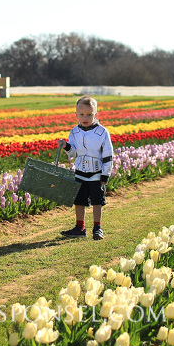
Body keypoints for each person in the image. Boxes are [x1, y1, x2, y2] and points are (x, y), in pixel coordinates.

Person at [57, 95, 114, 240]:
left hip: (97, 174)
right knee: (79, 201)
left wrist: (105, 174)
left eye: (89, 114)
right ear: (76, 115)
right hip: (80, 173)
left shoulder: (102, 132)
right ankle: (80, 227)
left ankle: (97, 228)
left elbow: (108, 155)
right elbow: (73, 153)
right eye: (82, 114)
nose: (85, 117)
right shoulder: (74, 132)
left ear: (95, 114)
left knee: (97, 202)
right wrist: (67, 146)